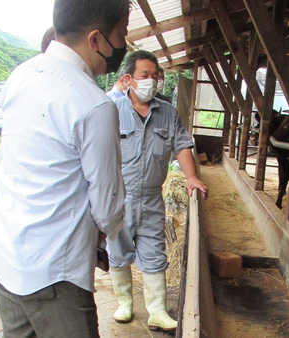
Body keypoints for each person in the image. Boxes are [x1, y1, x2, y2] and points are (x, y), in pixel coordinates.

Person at [0, 0, 130, 337]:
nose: (124, 43)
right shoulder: (94, 105)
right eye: (121, 33)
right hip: (53, 275)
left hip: (4, 255)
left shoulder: (21, 74)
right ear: (96, 40)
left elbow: (6, 160)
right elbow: (107, 208)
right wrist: (107, 232)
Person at [108, 50, 208, 331]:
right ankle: (124, 304)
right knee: (118, 250)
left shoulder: (167, 113)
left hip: (153, 197)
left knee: (154, 253)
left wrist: (191, 177)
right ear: (128, 79)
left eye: (155, 76)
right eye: (144, 75)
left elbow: (182, 145)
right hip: (120, 197)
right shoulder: (111, 112)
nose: (151, 81)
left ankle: (157, 311)